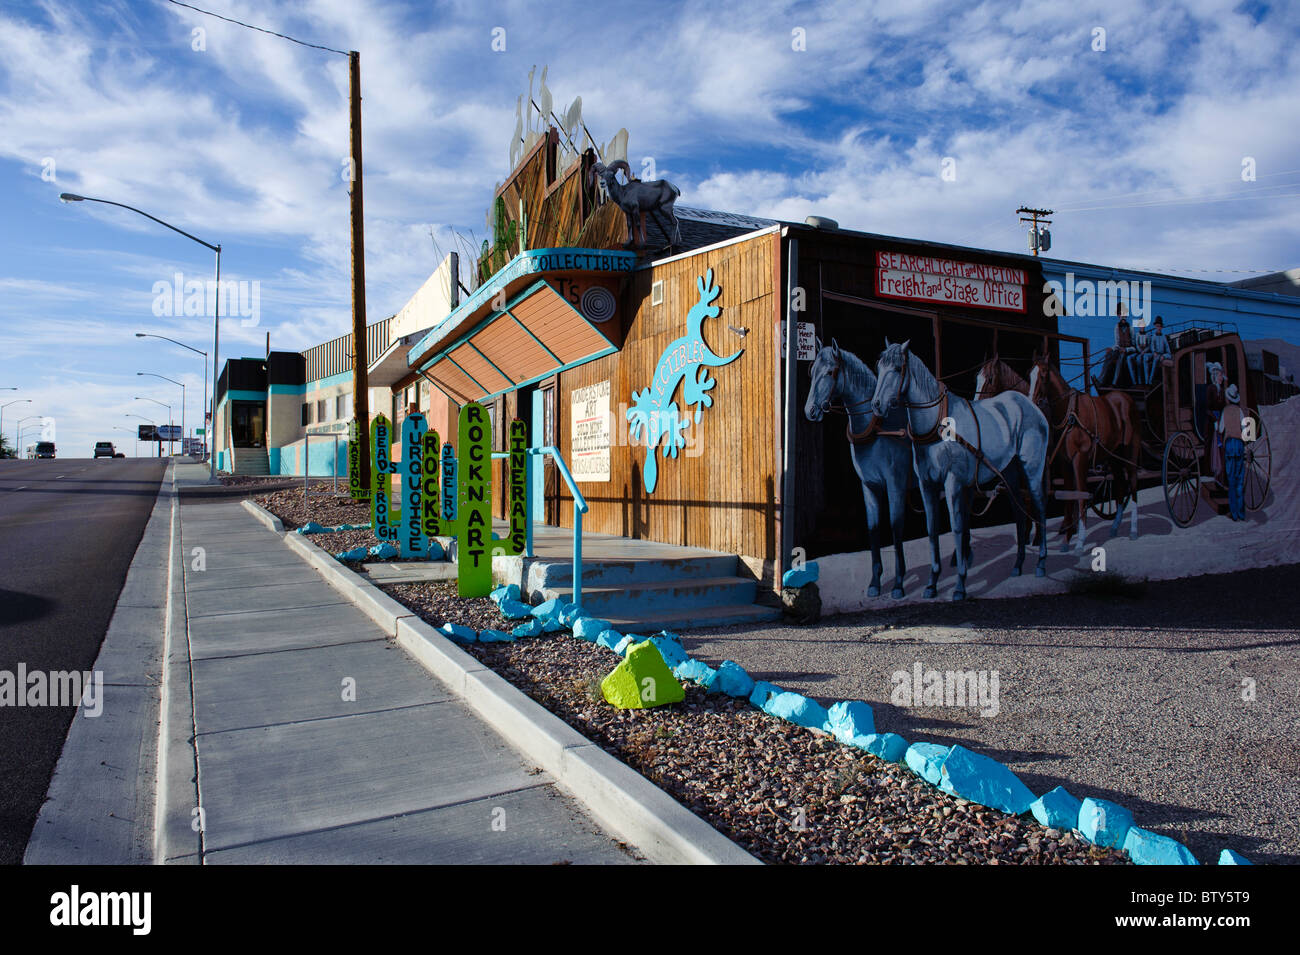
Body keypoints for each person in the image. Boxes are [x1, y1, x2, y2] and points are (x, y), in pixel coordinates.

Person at [1218, 383, 1246, 520]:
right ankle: (1241, 513)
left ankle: (1234, 514)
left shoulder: (1225, 411)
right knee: (1240, 480)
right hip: (1239, 445)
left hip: (1229, 445)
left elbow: (1221, 430)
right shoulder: (1240, 411)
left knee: (1231, 480)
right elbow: (1245, 428)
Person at [1096, 309, 1135, 388]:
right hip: (1119, 349)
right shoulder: (1117, 327)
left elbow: (1134, 346)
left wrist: (1126, 349)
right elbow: (1117, 343)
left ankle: (1114, 383)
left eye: (1124, 315)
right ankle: (1101, 380)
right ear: (1118, 316)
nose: (1123, 317)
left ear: (1126, 316)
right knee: (1108, 356)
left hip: (1128, 351)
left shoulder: (1131, 328)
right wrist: (1111, 348)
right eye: (1121, 315)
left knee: (1120, 359)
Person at [1144, 316, 1170, 384]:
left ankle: (1150, 381)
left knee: (1156, 360)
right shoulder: (1153, 337)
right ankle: (1147, 380)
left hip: (1161, 355)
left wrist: (1164, 356)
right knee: (1147, 358)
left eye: (1160, 326)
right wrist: (1154, 352)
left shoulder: (1164, 337)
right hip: (1155, 354)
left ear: (1161, 327)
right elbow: (1152, 347)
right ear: (1155, 326)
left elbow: (1168, 351)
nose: (1158, 328)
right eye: (1157, 326)